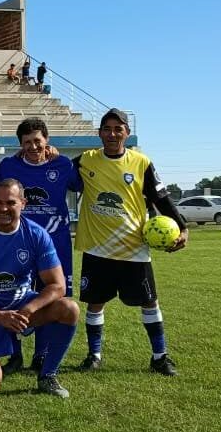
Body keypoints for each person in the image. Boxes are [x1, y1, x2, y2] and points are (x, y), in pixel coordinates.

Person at [75, 108, 187, 375]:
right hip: (98, 248)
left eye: (118, 129)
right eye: (107, 129)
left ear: (127, 133)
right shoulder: (85, 160)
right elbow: (53, 170)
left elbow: (161, 198)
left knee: (150, 302)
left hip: (133, 248)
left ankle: (160, 356)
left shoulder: (141, 162)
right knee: (95, 303)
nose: (112, 134)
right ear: (99, 133)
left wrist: (182, 227)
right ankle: (94, 355)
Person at [0, 179, 77, 397]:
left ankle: (48, 375)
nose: (3, 209)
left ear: (23, 203)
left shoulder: (36, 234)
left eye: (10, 203)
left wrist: (27, 310)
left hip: (20, 306)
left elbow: (58, 286)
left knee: (69, 309)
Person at [0, 117, 80, 373]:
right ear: (20, 144)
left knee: (51, 299)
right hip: (18, 244)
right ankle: (14, 355)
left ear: (47, 140)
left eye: (38, 141)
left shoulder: (63, 164)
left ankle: (41, 354)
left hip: (55, 244)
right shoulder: (9, 166)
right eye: (27, 142)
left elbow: (84, 182)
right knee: (10, 294)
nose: (33, 147)